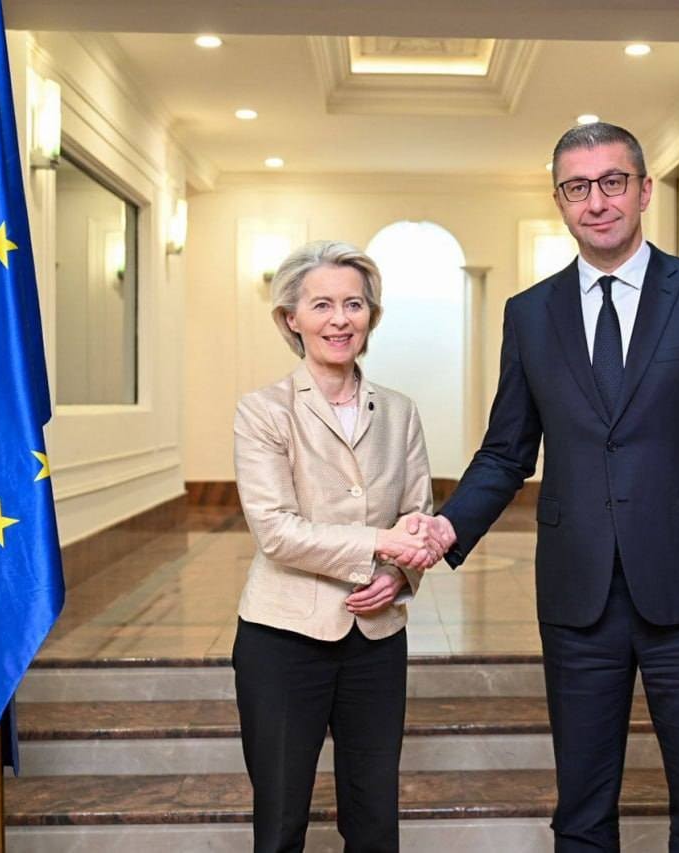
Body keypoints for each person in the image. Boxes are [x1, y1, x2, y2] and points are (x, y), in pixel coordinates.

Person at [418, 123, 679, 851]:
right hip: (577, 595)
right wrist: (447, 527)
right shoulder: (529, 313)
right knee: (580, 808)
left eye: (613, 182)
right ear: (559, 200)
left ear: (644, 190)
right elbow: (506, 452)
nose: (597, 201)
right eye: (577, 187)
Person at [232, 240, 440, 853]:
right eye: (321, 304)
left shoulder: (399, 411)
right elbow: (276, 529)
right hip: (283, 637)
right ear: (291, 318)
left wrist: (399, 575)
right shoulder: (263, 411)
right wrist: (379, 543)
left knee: (375, 820)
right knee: (280, 821)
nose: (339, 319)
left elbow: (419, 515)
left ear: (371, 316)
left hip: (377, 637)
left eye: (354, 304)